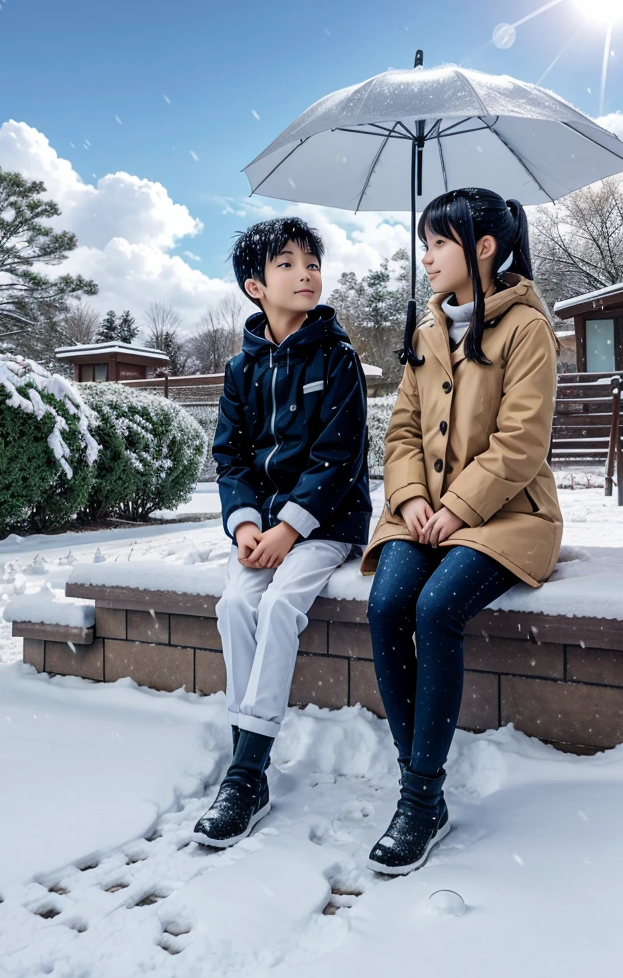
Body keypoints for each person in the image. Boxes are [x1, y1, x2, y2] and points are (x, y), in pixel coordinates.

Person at [360, 188, 563, 876]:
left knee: (436, 608)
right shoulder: (426, 332)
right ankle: (420, 776)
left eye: (438, 243)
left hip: (505, 513)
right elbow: (402, 431)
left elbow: (522, 442)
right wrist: (412, 497)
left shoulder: (527, 329)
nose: (426, 259)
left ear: (483, 247)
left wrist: (460, 508)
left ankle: (420, 799)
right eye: (424, 244)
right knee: (387, 606)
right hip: (424, 511)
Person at [193, 217, 372, 848]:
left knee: (280, 606)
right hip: (263, 529)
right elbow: (231, 457)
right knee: (234, 604)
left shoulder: (338, 357)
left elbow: (339, 455)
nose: (306, 274)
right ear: (254, 286)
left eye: (313, 262)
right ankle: (250, 756)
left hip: (326, 523)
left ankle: (246, 773)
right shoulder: (241, 368)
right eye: (288, 264)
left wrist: (290, 528)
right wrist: (246, 524)